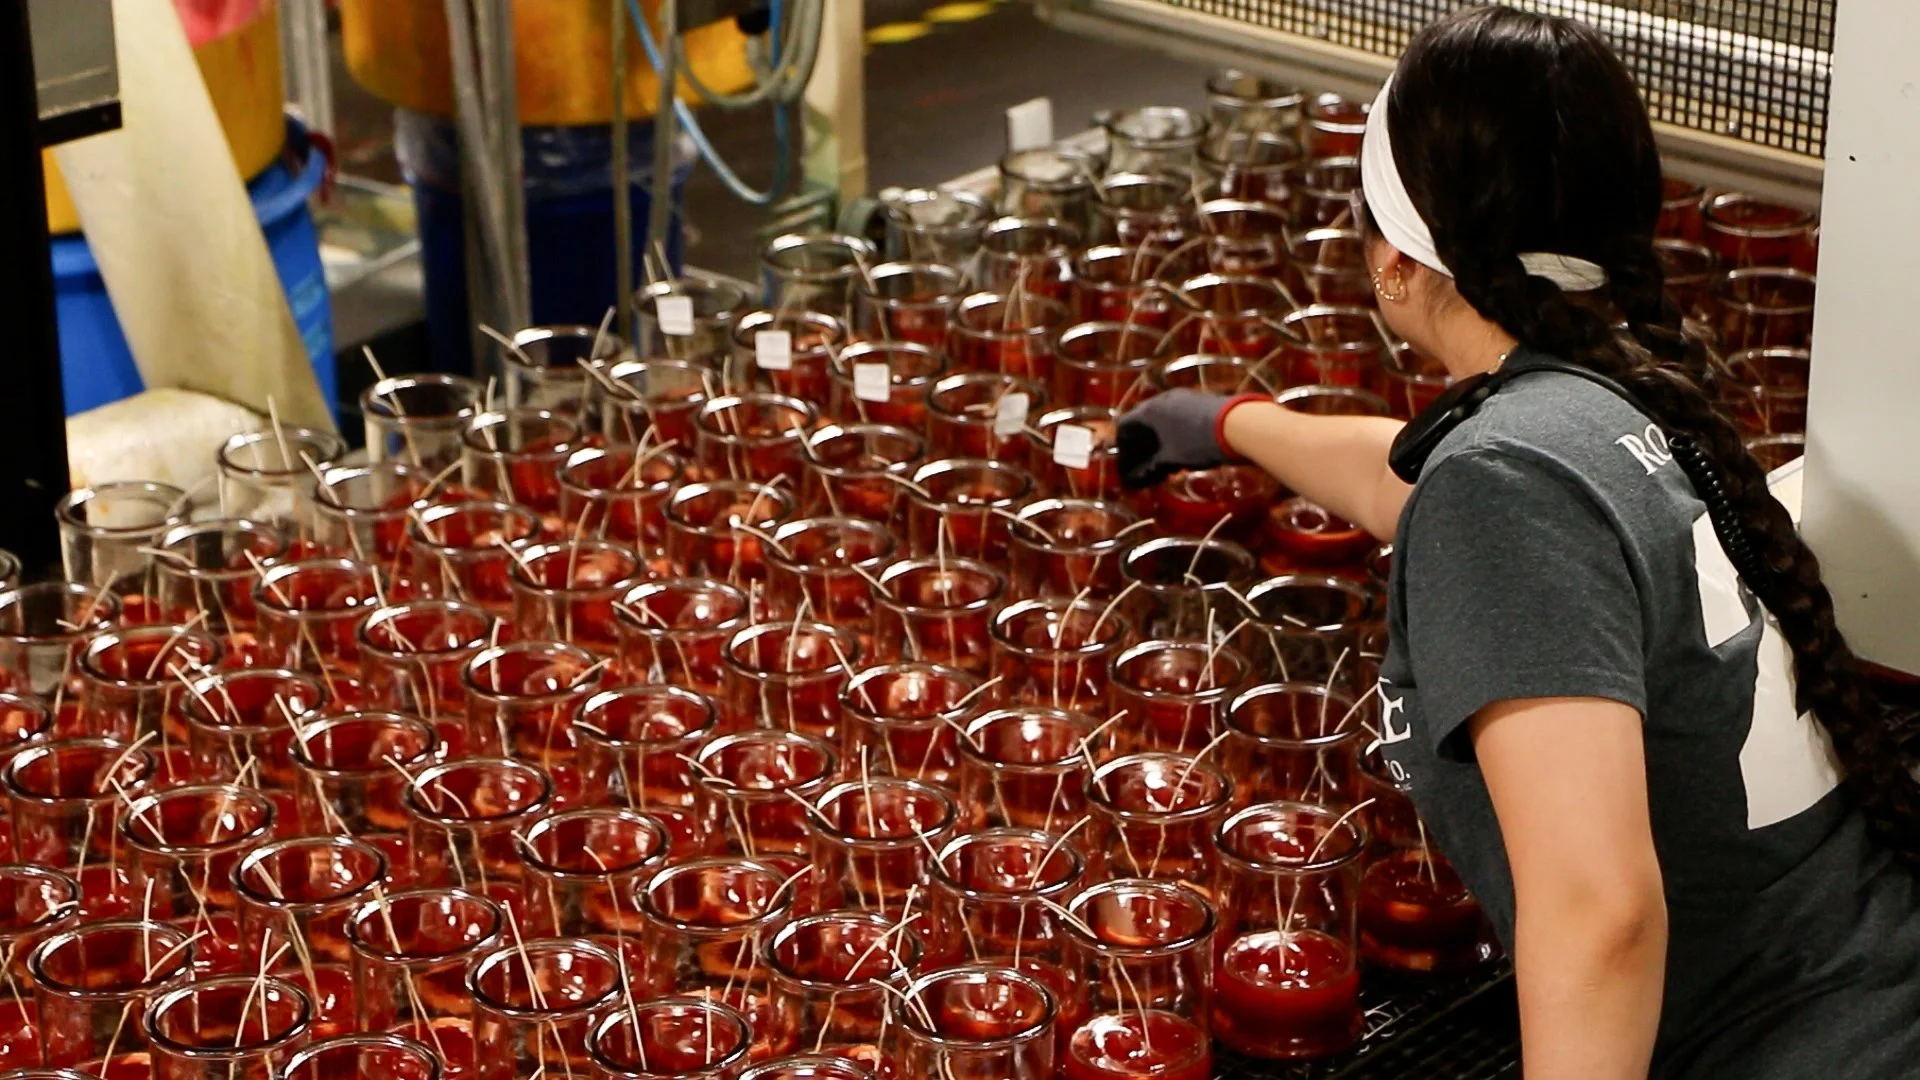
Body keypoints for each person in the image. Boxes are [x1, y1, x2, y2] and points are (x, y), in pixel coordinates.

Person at [1117, 7, 1920, 1077]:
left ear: (1397, 263)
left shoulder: (1503, 489)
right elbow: (1408, 476)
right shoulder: (1621, 393)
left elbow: (1600, 916)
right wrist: (1226, 424)